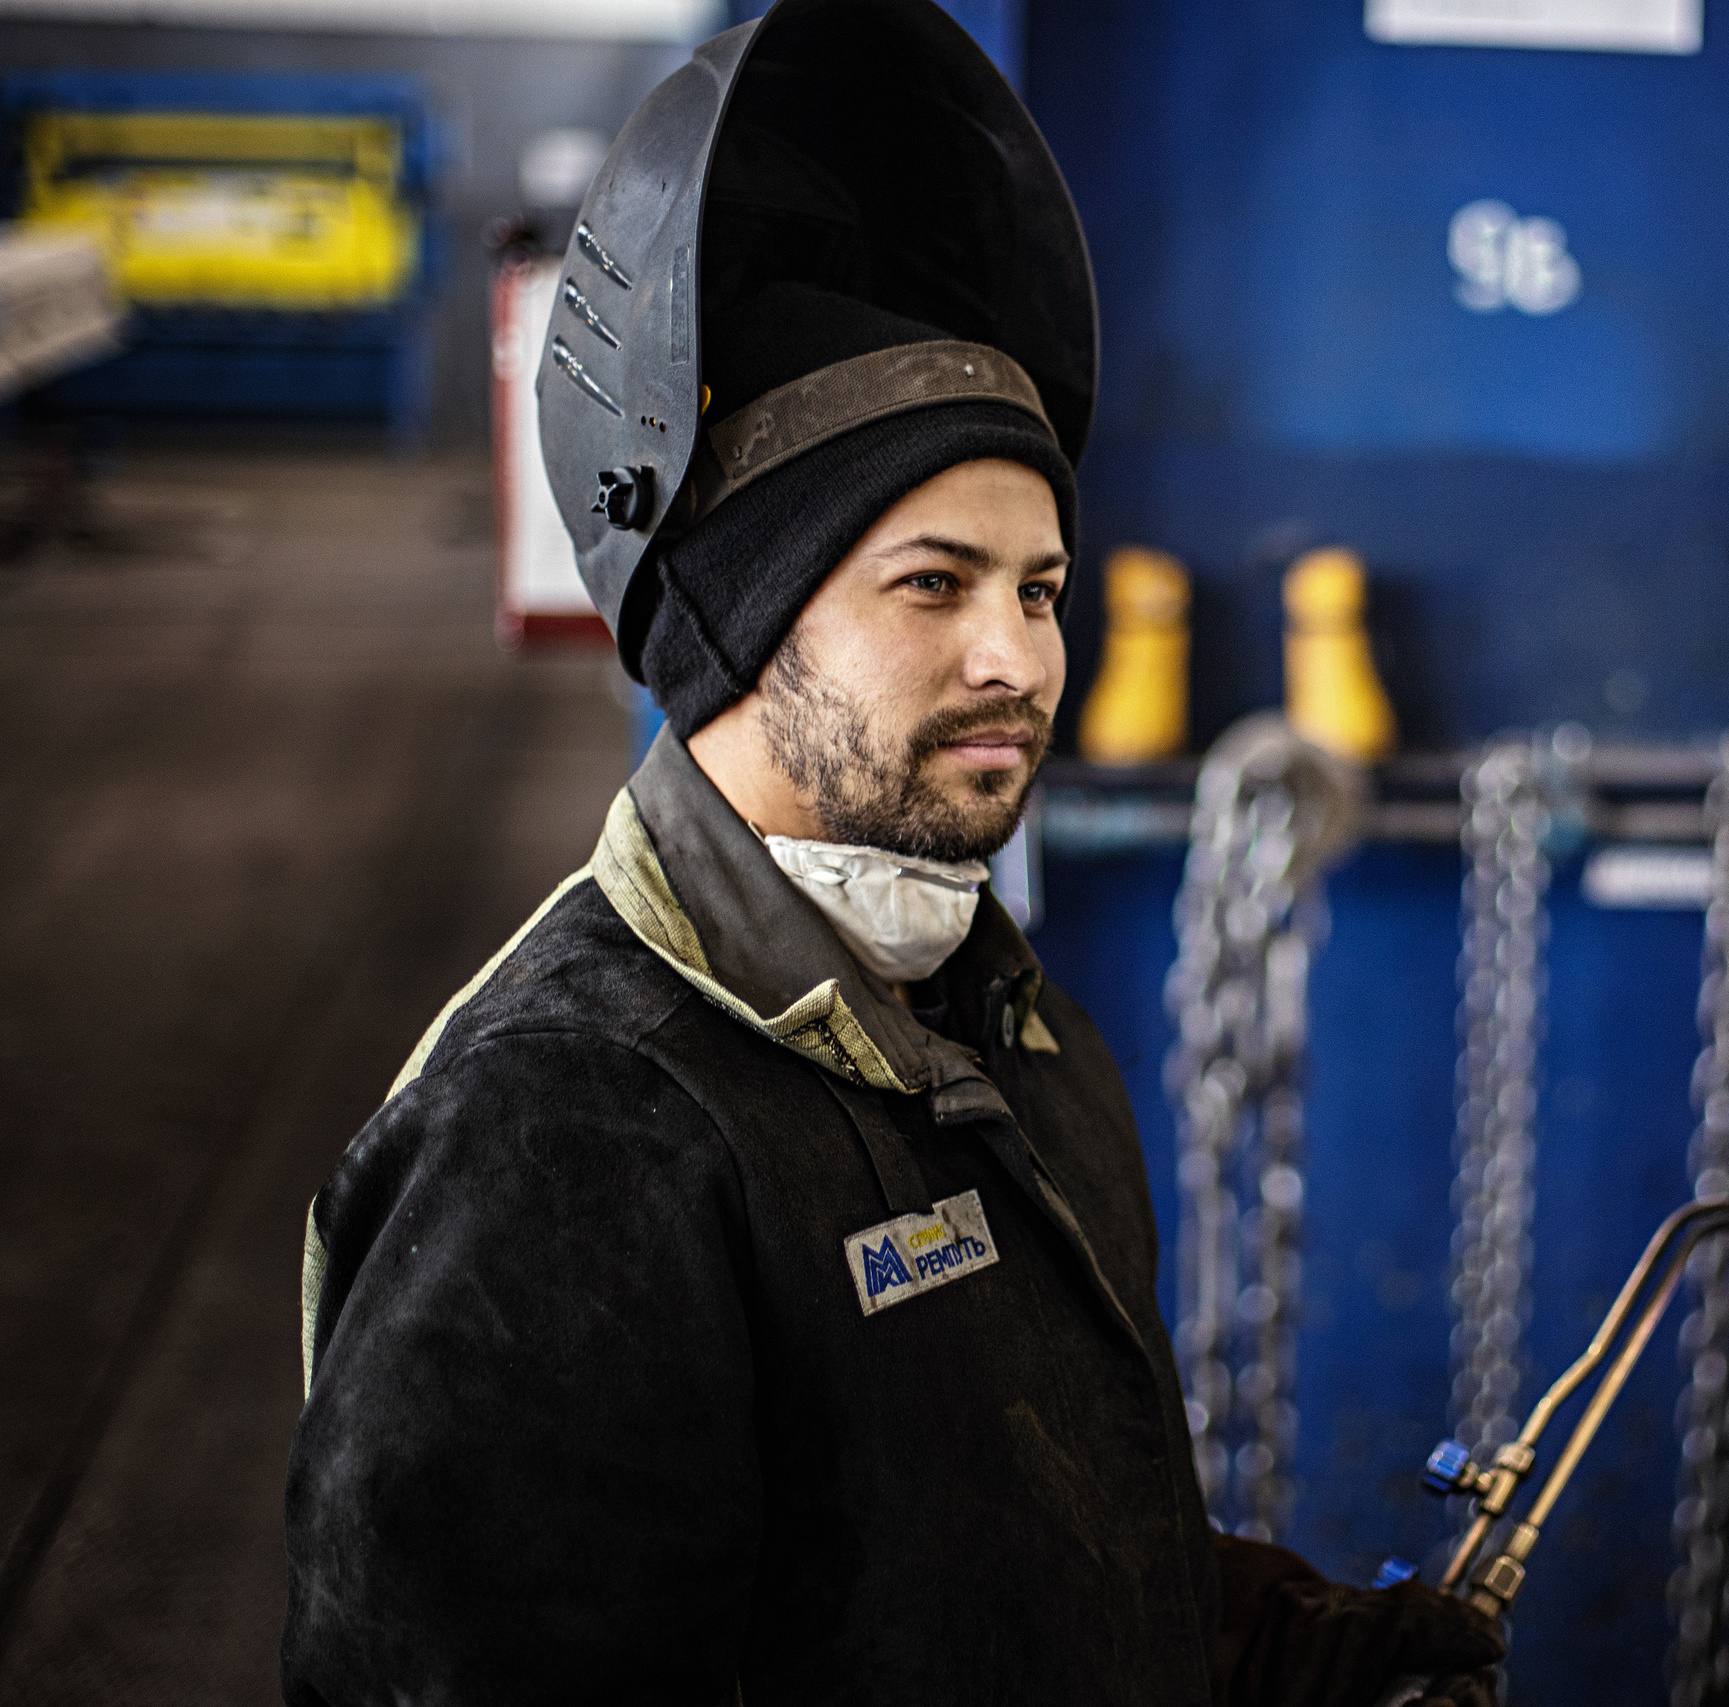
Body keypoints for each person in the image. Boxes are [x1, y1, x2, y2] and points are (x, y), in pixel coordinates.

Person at [282, 3, 1503, 1703]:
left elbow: (1004, 1567)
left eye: (1042, 590)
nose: (1017, 656)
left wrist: (1279, 1654)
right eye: (932, 584)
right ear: (744, 623)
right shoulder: (569, 1135)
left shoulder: (1004, 1031)